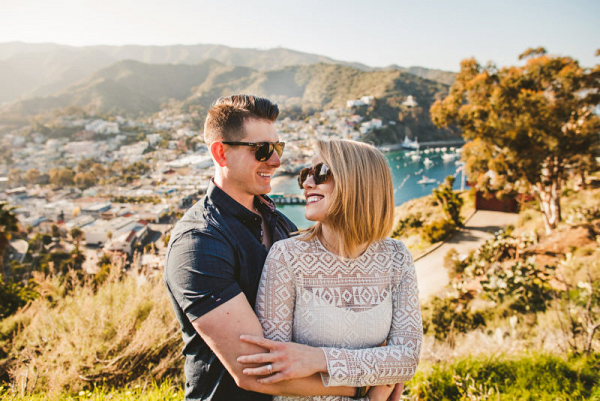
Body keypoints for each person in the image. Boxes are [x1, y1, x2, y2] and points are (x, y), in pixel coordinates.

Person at [164, 95, 366, 400]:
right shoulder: (199, 243)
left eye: (278, 148)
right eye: (262, 150)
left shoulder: (281, 224)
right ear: (221, 153)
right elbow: (255, 372)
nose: (275, 161)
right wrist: (363, 385)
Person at [238, 139, 423, 400]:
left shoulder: (397, 258)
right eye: (306, 175)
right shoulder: (286, 257)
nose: (307, 184)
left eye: (321, 173)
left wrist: (317, 358)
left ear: (359, 181)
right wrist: (371, 385)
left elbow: (406, 359)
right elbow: (273, 370)